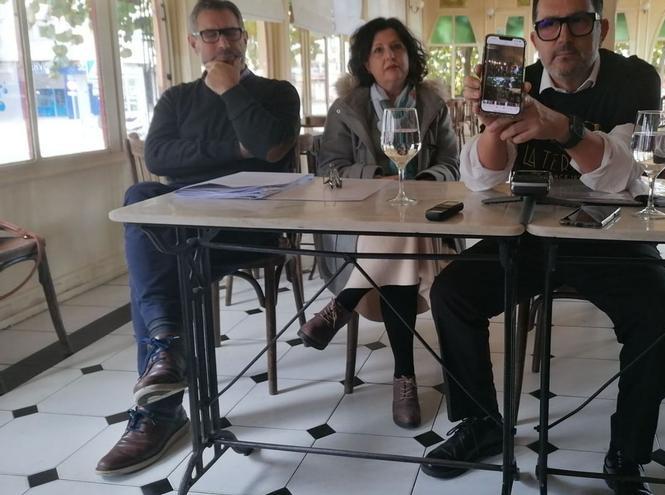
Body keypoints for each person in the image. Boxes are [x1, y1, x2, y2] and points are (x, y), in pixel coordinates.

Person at [421, 1, 665, 494]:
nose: (564, 36)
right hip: (529, 231)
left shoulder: (635, 80)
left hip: (610, 232)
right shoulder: (516, 83)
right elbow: (481, 180)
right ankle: (481, 424)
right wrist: (494, 127)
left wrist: (560, 127)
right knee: (452, 291)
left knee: (662, 312)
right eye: (549, 24)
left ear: (601, 29)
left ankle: (627, 452)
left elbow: (621, 176)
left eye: (578, 21)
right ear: (535, 35)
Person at [96, 0, 300, 475]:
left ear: (245, 37)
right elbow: (161, 158)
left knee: (153, 270)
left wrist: (231, 91)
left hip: (250, 230)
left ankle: (158, 410)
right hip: (186, 227)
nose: (222, 43)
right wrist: (232, 150)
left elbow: (270, 149)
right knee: (141, 198)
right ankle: (168, 349)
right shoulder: (176, 100)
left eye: (230, 33)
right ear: (193, 43)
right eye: (210, 35)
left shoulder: (276, 92)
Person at [298, 17, 459, 429]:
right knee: (397, 232)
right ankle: (402, 373)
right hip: (359, 227)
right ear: (366, 63)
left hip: (424, 222)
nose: (390, 56)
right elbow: (329, 171)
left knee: (403, 226)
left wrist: (418, 184)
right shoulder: (346, 109)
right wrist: (380, 180)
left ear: (410, 57)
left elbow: (452, 166)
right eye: (379, 50)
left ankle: (342, 306)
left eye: (397, 48)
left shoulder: (433, 105)